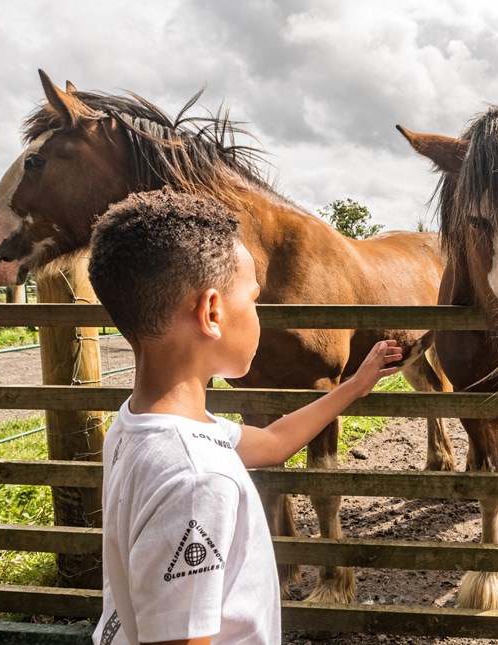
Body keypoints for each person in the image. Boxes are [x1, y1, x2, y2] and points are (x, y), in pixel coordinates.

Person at [87, 189, 403, 645]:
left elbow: (274, 442)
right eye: (254, 299)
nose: (257, 312)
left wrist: (354, 385)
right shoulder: (196, 481)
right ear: (212, 312)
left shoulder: (138, 424)